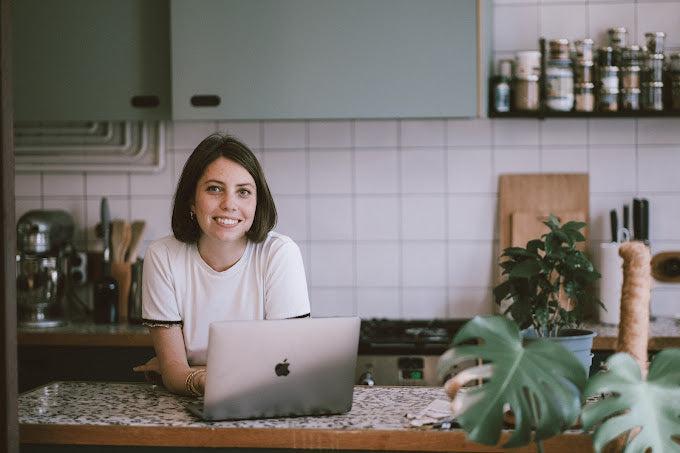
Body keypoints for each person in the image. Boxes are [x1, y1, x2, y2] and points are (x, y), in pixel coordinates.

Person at [133, 134, 310, 396]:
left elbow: (287, 368)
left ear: (256, 202)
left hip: (266, 404)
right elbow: (174, 373)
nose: (229, 204)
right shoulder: (163, 256)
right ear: (192, 200)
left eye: (243, 192)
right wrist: (191, 377)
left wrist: (195, 373)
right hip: (188, 409)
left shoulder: (280, 254)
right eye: (214, 189)